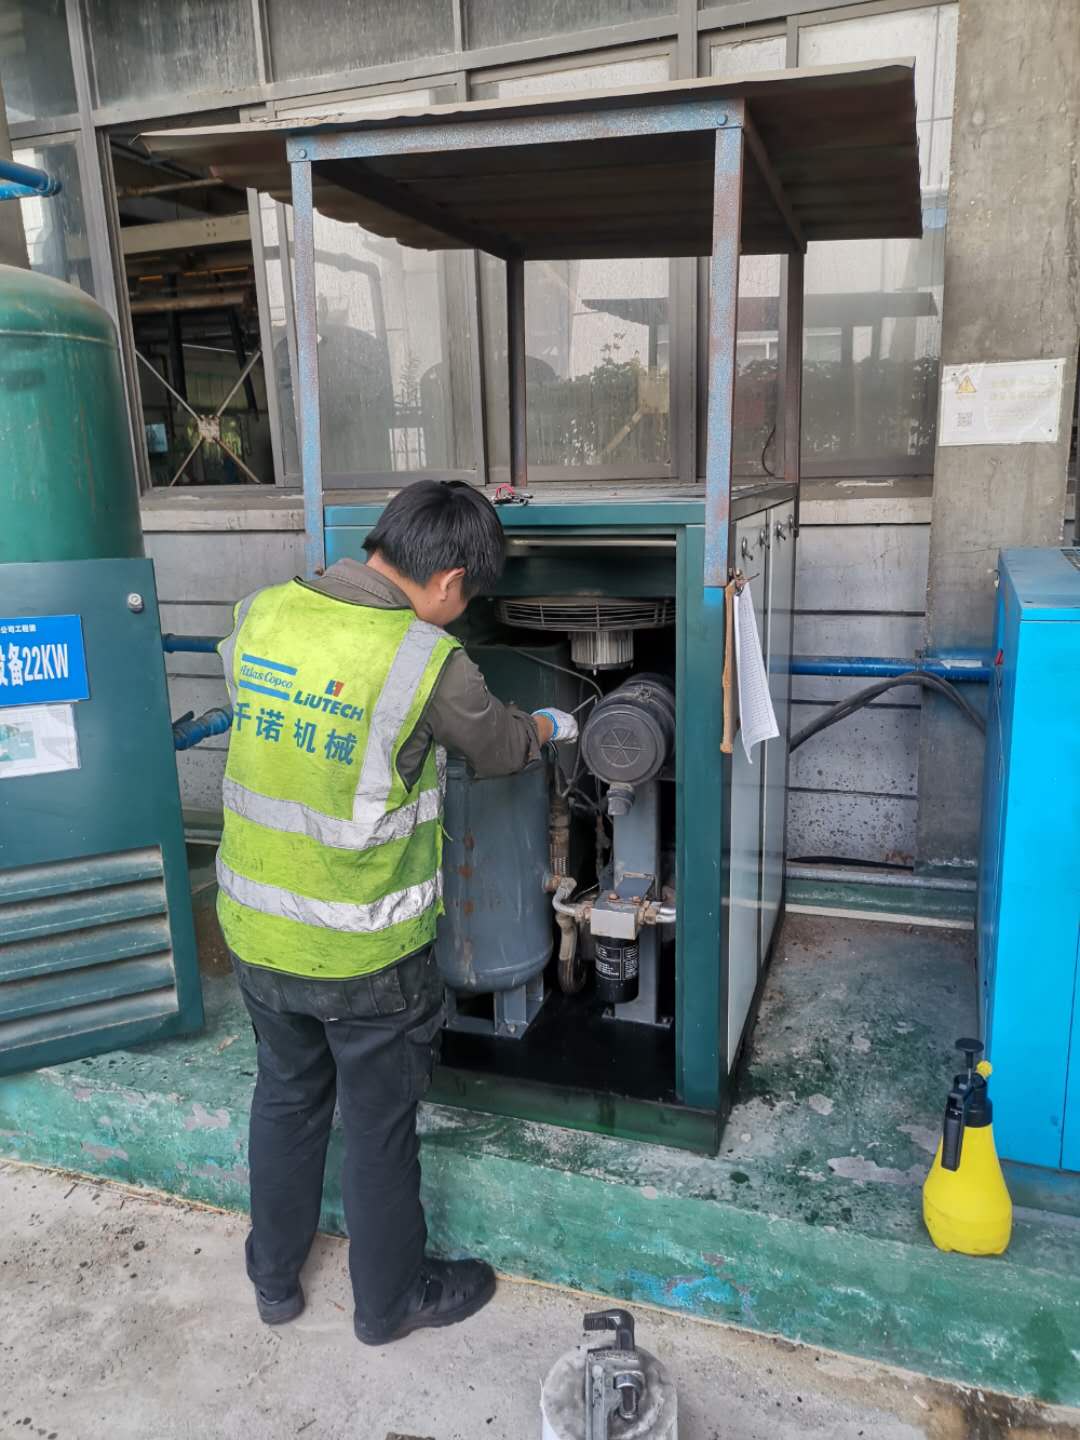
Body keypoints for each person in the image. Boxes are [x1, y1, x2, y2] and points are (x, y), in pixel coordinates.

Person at [214, 481, 577, 1345]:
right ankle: (387, 1305)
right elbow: (501, 748)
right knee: (379, 1128)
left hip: (257, 928)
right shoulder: (424, 660)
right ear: (449, 582)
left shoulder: (262, 613)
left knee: (286, 1098)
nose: (462, 612)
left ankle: (273, 1281)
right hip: (364, 954)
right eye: (467, 598)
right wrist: (550, 726)